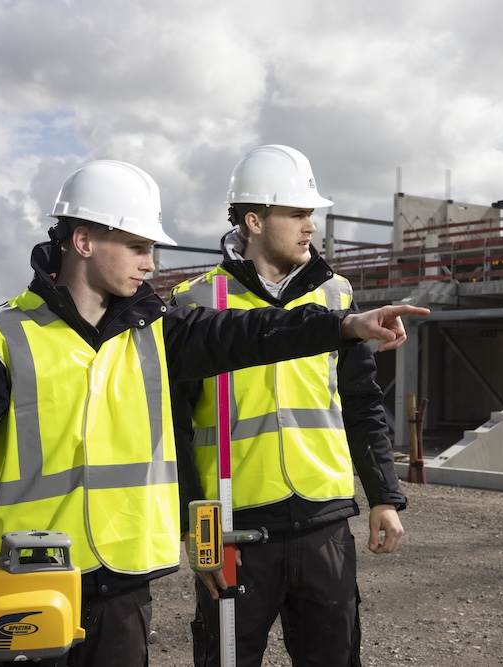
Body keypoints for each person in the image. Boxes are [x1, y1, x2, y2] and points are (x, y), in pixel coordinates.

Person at [0, 159, 428, 667]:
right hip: (24, 572)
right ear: (85, 242)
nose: (150, 263)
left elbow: (251, 334)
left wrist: (346, 327)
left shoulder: (160, 331)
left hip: (124, 580)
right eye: (137, 247)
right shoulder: (3, 337)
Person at [171, 145, 407, 667]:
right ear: (254, 220)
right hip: (234, 527)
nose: (311, 227)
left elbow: (361, 402)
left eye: (312, 214)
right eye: (297, 213)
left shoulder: (335, 297)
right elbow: (176, 432)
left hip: (323, 522)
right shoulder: (197, 303)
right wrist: (199, 533)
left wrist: (384, 497)